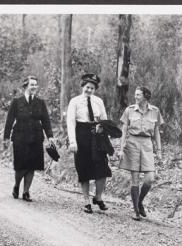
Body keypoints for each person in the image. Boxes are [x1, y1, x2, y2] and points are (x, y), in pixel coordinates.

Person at [4, 75, 54, 202]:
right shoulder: (16, 102)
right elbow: (9, 121)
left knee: (32, 166)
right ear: (26, 86)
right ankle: (16, 185)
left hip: (36, 137)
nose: (34, 87)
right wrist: (6, 137)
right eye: (32, 85)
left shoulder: (40, 102)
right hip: (20, 137)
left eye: (36, 85)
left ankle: (26, 192)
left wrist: (50, 136)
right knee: (21, 166)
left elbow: (46, 121)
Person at [67, 73, 111, 214]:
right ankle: (86, 201)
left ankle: (98, 197)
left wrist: (102, 127)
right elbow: (70, 122)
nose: (89, 90)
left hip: (97, 136)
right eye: (87, 87)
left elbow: (104, 120)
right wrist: (73, 141)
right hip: (81, 135)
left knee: (102, 168)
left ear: (95, 89)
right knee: (83, 168)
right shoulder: (74, 102)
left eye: (92, 88)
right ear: (83, 86)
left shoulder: (98, 101)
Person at [119, 86, 164, 221]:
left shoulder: (155, 111)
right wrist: (121, 149)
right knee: (135, 179)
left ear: (145, 96)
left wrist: (159, 151)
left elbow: (156, 132)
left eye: (138, 95)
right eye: (135, 94)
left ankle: (139, 201)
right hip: (132, 143)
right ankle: (136, 211)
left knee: (150, 178)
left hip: (147, 145)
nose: (136, 97)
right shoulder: (129, 110)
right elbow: (124, 130)